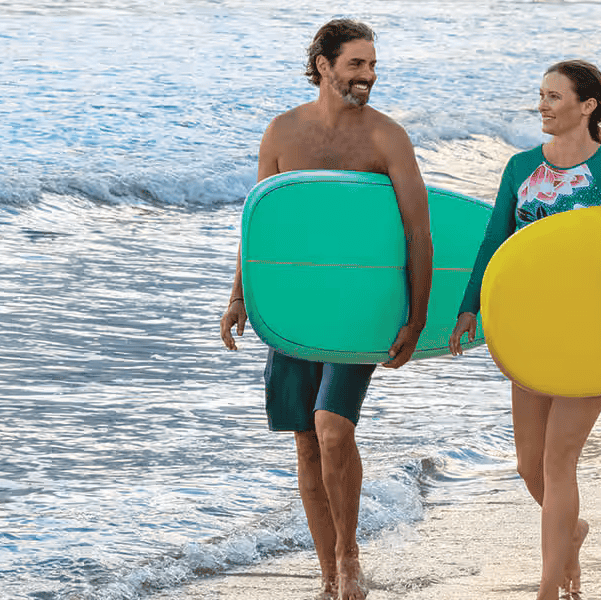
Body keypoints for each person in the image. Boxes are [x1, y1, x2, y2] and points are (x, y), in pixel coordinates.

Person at [218, 18, 433, 600]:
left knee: (333, 428)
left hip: (359, 311)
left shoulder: (387, 138)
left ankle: (349, 553)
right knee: (306, 441)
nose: (369, 75)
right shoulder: (283, 134)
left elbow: (419, 233)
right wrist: (240, 296)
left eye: (371, 64)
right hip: (292, 309)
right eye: (357, 64)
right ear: (323, 65)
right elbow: (259, 228)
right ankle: (326, 573)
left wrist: (416, 318)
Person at [447, 60, 601, 600]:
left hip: (594, 332)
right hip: (530, 330)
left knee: (560, 460)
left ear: (587, 106)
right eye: (540, 95)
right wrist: (469, 306)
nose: (542, 105)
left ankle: (548, 585)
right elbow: (495, 239)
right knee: (528, 465)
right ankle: (573, 532)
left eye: (554, 96)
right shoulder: (520, 167)